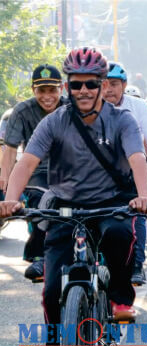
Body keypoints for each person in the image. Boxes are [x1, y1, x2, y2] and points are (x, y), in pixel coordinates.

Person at [0, 47, 147, 346]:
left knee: (120, 235)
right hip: (65, 205)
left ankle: (118, 297)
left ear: (101, 84)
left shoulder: (122, 120)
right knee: (52, 286)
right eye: (76, 84)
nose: (83, 91)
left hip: (111, 202)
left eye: (91, 84)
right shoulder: (54, 122)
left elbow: (137, 159)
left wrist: (144, 196)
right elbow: (26, 162)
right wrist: (9, 200)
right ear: (68, 86)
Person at [0, 64, 68, 281]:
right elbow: (10, 150)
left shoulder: (72, 108)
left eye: (52, 90)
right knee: (42, 204)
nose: (47, 96)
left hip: (71, 170)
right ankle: (40, 256)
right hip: (37, 171)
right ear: (33, 90)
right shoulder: (21, 111)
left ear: (61, 89)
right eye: (41, 91)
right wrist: (5, 182)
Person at [103, 61, 147, 285]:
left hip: (133, 173)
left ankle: (137, 264)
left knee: (136, 214)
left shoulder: (138, 107)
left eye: (114, 84)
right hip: (97, 176)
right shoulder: (89, 108)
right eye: (103, 84)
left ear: (124, 85)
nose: (108, 89)